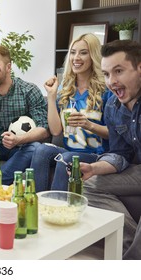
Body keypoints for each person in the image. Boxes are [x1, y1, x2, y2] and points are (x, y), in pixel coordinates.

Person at [80, 40, 141, 260]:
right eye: (106, 74)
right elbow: (120, 154)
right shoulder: (113, 107)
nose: (111, 82)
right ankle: (128, 245)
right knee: (87, 184)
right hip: (137, 171)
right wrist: (93, 168)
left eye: (119, 71)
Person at [30, 33, 112, 192]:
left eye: (83, 52)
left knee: (67, 159)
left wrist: (89, 125)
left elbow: (113, 133)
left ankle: (57, 210)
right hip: (69, 150)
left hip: (96, 155)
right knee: (41, 150)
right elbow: (55, 130)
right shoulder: (65, 89)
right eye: (73, 52)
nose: (76, 57)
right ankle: (34, 205)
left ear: (93, 56)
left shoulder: (106, 90)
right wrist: (52, 96)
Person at [0, 45, 49, 185]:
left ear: (8, 67)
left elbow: (43, 130)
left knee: (36, 148)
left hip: (22, 146)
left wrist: (18, 139)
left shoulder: (29, 91)